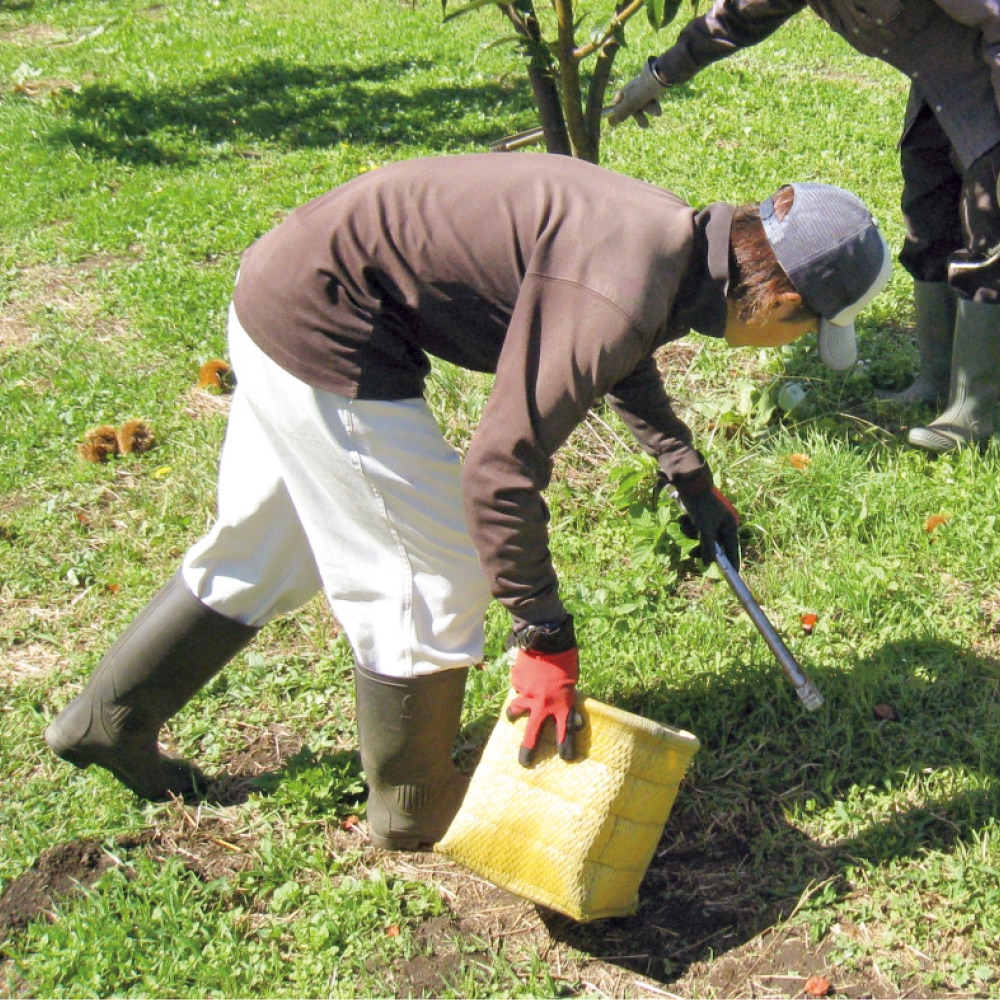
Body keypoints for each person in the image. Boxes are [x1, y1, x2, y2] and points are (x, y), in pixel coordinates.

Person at [44, 153, 890, 850]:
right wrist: (544, 636)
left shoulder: (668, 243)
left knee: (269, 544)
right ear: (779, 298)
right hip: (327, 325)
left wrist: (688, 474)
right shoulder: (629, 280)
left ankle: (108, 723)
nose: (801, 344)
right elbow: (501, 467)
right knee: (436, 564)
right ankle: (412, 804)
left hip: (285, 284)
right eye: (811, 328)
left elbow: (613, 353)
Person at [609, 0, 1000, 452]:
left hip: (987, 88)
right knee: (928, 221)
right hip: (937, 93)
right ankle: (934, 380)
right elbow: (736, 18)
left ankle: (974, 410)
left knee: (989, 238)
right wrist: (660, 75)